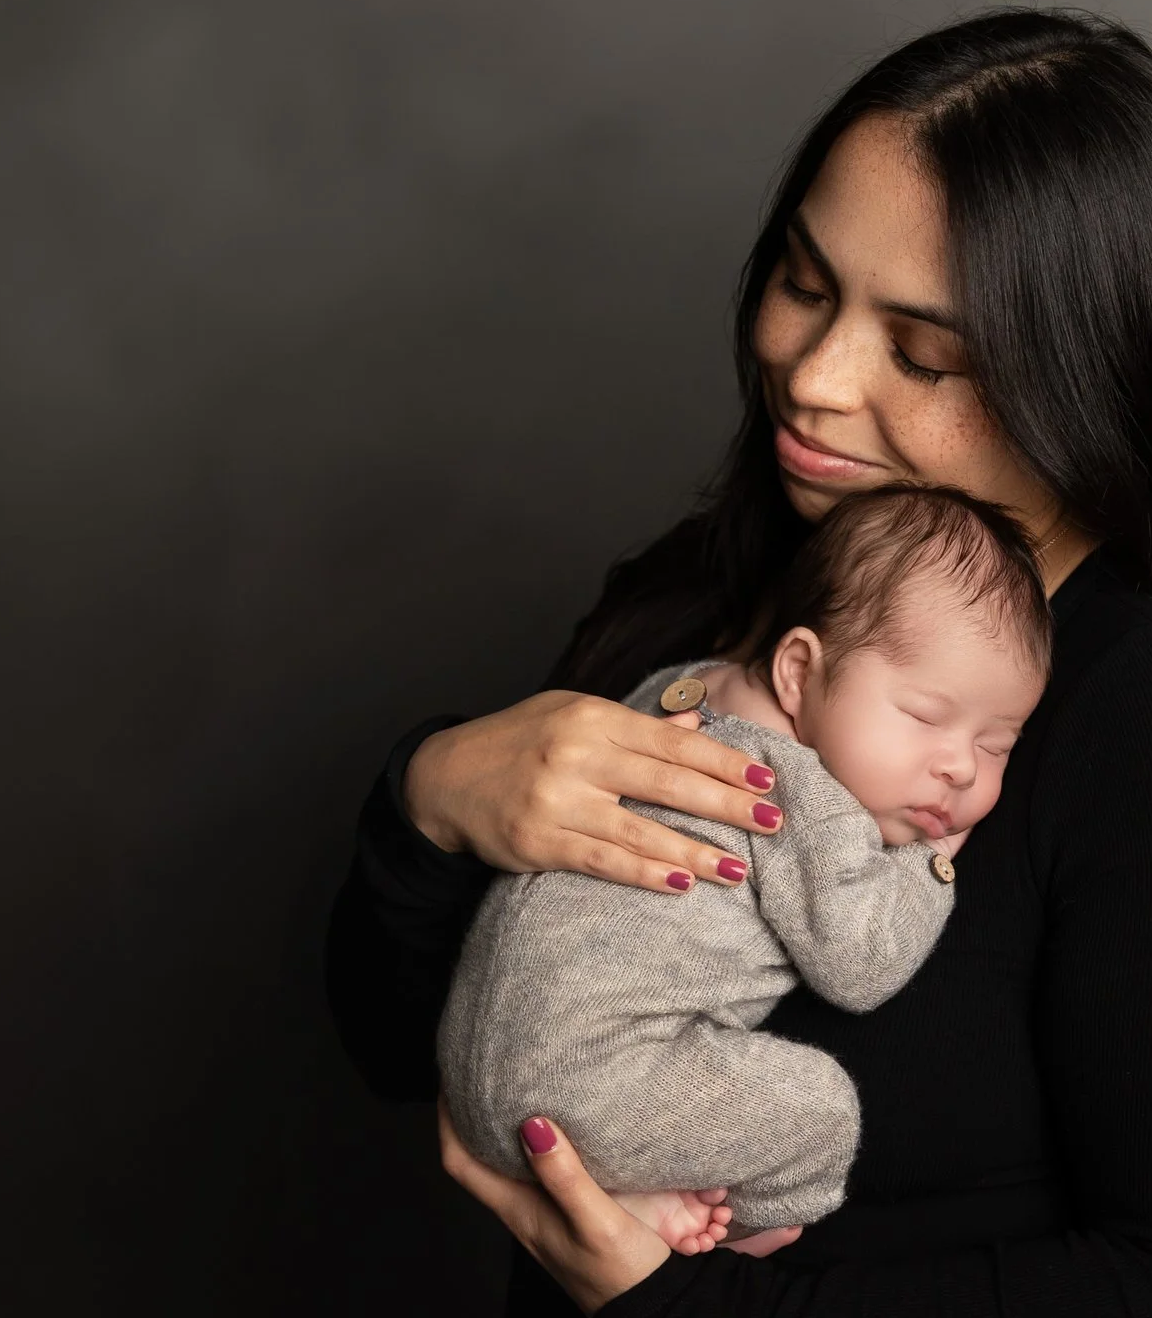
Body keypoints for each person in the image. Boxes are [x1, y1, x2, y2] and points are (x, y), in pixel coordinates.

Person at [326, 6, 1152, 1318]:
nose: (812, 373)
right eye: (805, 283)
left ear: (1089, 379)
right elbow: (398, 1042)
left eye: (922, 351)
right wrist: (428, 804)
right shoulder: (691, 601)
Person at [437, 484, 1051, 1253]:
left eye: (998, 744)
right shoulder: (804, 798)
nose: (959, 767)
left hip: (467, 1067)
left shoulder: (679, 690)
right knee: (824, 1113)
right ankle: (717, 1225)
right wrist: (926, 868)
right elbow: (860, 966)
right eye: (926, 717)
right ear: (798, 671)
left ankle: (628, 1190)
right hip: (592, 1088)